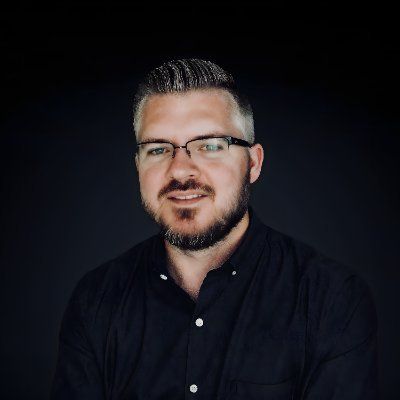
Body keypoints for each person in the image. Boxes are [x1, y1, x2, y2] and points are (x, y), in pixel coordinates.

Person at [50, 59, 378, 399]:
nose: (180, 170)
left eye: (209, 146)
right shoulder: (95, 300)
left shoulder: (331, 299)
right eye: (158, 149)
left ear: (253, 163)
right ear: (138, 167)